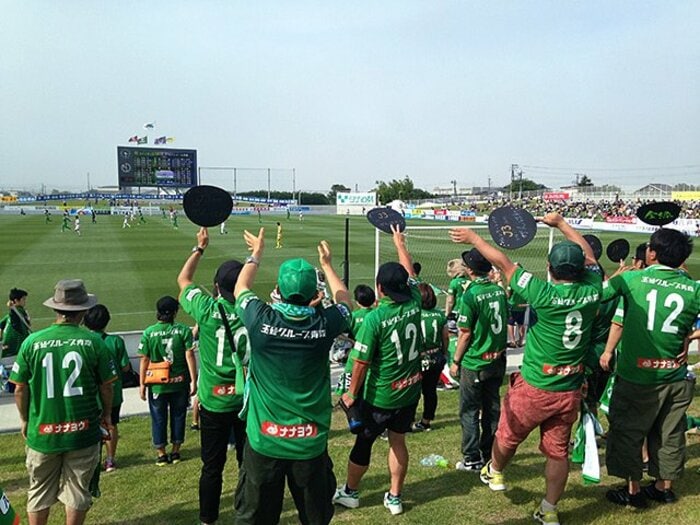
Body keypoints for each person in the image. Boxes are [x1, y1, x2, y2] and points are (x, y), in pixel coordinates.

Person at [449, 212, 601, 525]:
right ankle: (549, 510)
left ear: (550, 268)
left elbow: (504, 263)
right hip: (569, 387)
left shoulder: (542, 294)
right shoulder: (593, 289)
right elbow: (588, 256)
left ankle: (496, 471)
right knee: (558, 452)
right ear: (583, 270)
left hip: (536, 385)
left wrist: (475, 239)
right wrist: (561, 224)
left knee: (507, 435)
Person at [232, 228, 352, 525]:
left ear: (278, 290)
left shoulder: (261, 319)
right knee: (315, 517)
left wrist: (257, 253)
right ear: (315, 295)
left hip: (264, 441)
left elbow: (240, 288)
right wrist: (327, 266)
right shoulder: (325, 323)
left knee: (255, 518)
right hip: (309, 443)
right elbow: (345, 301)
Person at [599, 228, 699, 507]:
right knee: (669, 433)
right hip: (675, 375)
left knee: (628, 431)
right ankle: (663, 487)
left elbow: (596, 295)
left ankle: (632, 492)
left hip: (636, 375)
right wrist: (690, 336)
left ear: (651, 253)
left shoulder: (631, 279)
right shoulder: (694, 288)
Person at [9, 279, 117, 525]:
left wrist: (25, 419)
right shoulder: (94, 342)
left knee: (38, 492)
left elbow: (19, 388)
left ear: (56, 308)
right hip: (83, 432)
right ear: (83, 310)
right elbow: (107, 385)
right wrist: (107, 416)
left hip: (43, 432)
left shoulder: (32, 342)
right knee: (78, 492)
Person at [335, 225, 423, 516]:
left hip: (381, 396)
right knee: (398, 441)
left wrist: (350, 394)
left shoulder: (374, 319)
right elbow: (411, 275)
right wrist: (399, 244)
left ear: (380, 289)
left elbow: (360, 363)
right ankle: (395, 497)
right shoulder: (415, 300)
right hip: (410, 390)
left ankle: (350, 492)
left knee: (364, 443)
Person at [177, 227, 250, 525]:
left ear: (217, 286)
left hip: (213, 404)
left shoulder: (206, 309)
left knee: (211, 467)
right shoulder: (254, 311)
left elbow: (183, 281)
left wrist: (200, 248)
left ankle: (208, 519)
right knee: (247, 464)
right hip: (245, 402)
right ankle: (247, 513)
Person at [449, 248, 508, 471]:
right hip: (497, 359)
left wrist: (455, 361)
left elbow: (464, 333)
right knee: (492, 407)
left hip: (475, 361)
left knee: (470, 410)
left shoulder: (471, 295)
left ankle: (472, 458)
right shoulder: (499, 291)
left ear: (471, 270)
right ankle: (490, 453)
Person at [138, 296, 196, 466]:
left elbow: (144, 360)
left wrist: (142, 384)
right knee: (179, 415)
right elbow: (189, 354)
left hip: (157, 384)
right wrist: (194, 380)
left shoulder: (149, 332)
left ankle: (161, 454)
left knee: (158, 417)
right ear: (175, 312)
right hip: (179, 382)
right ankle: (176, 451)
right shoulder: (184, 330)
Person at [83, 304, 130, 473]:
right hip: (113, 392)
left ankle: (93, 461)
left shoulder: (83, 342)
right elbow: (125, 367)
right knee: (111, 424)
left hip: (89, 393)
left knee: (91, 426)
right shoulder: (115, 341)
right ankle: (110, 460)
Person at [412, 283, 449, 432]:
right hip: (435, 355)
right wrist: (444, 353)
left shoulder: (414, 314)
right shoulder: (440, 314)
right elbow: (445, 337)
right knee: (430, 390)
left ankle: (409, 420)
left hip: (418, 358)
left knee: (413, 391)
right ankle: (426, 421)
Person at [1, 288, 31, 360]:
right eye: (23, 299)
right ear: (16, 301)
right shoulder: (18, 311)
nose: (25, 302)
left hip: (7, 349)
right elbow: (15, 319)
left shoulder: (8, 316)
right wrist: (12, 309)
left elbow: (1, 324)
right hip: (14, 351)